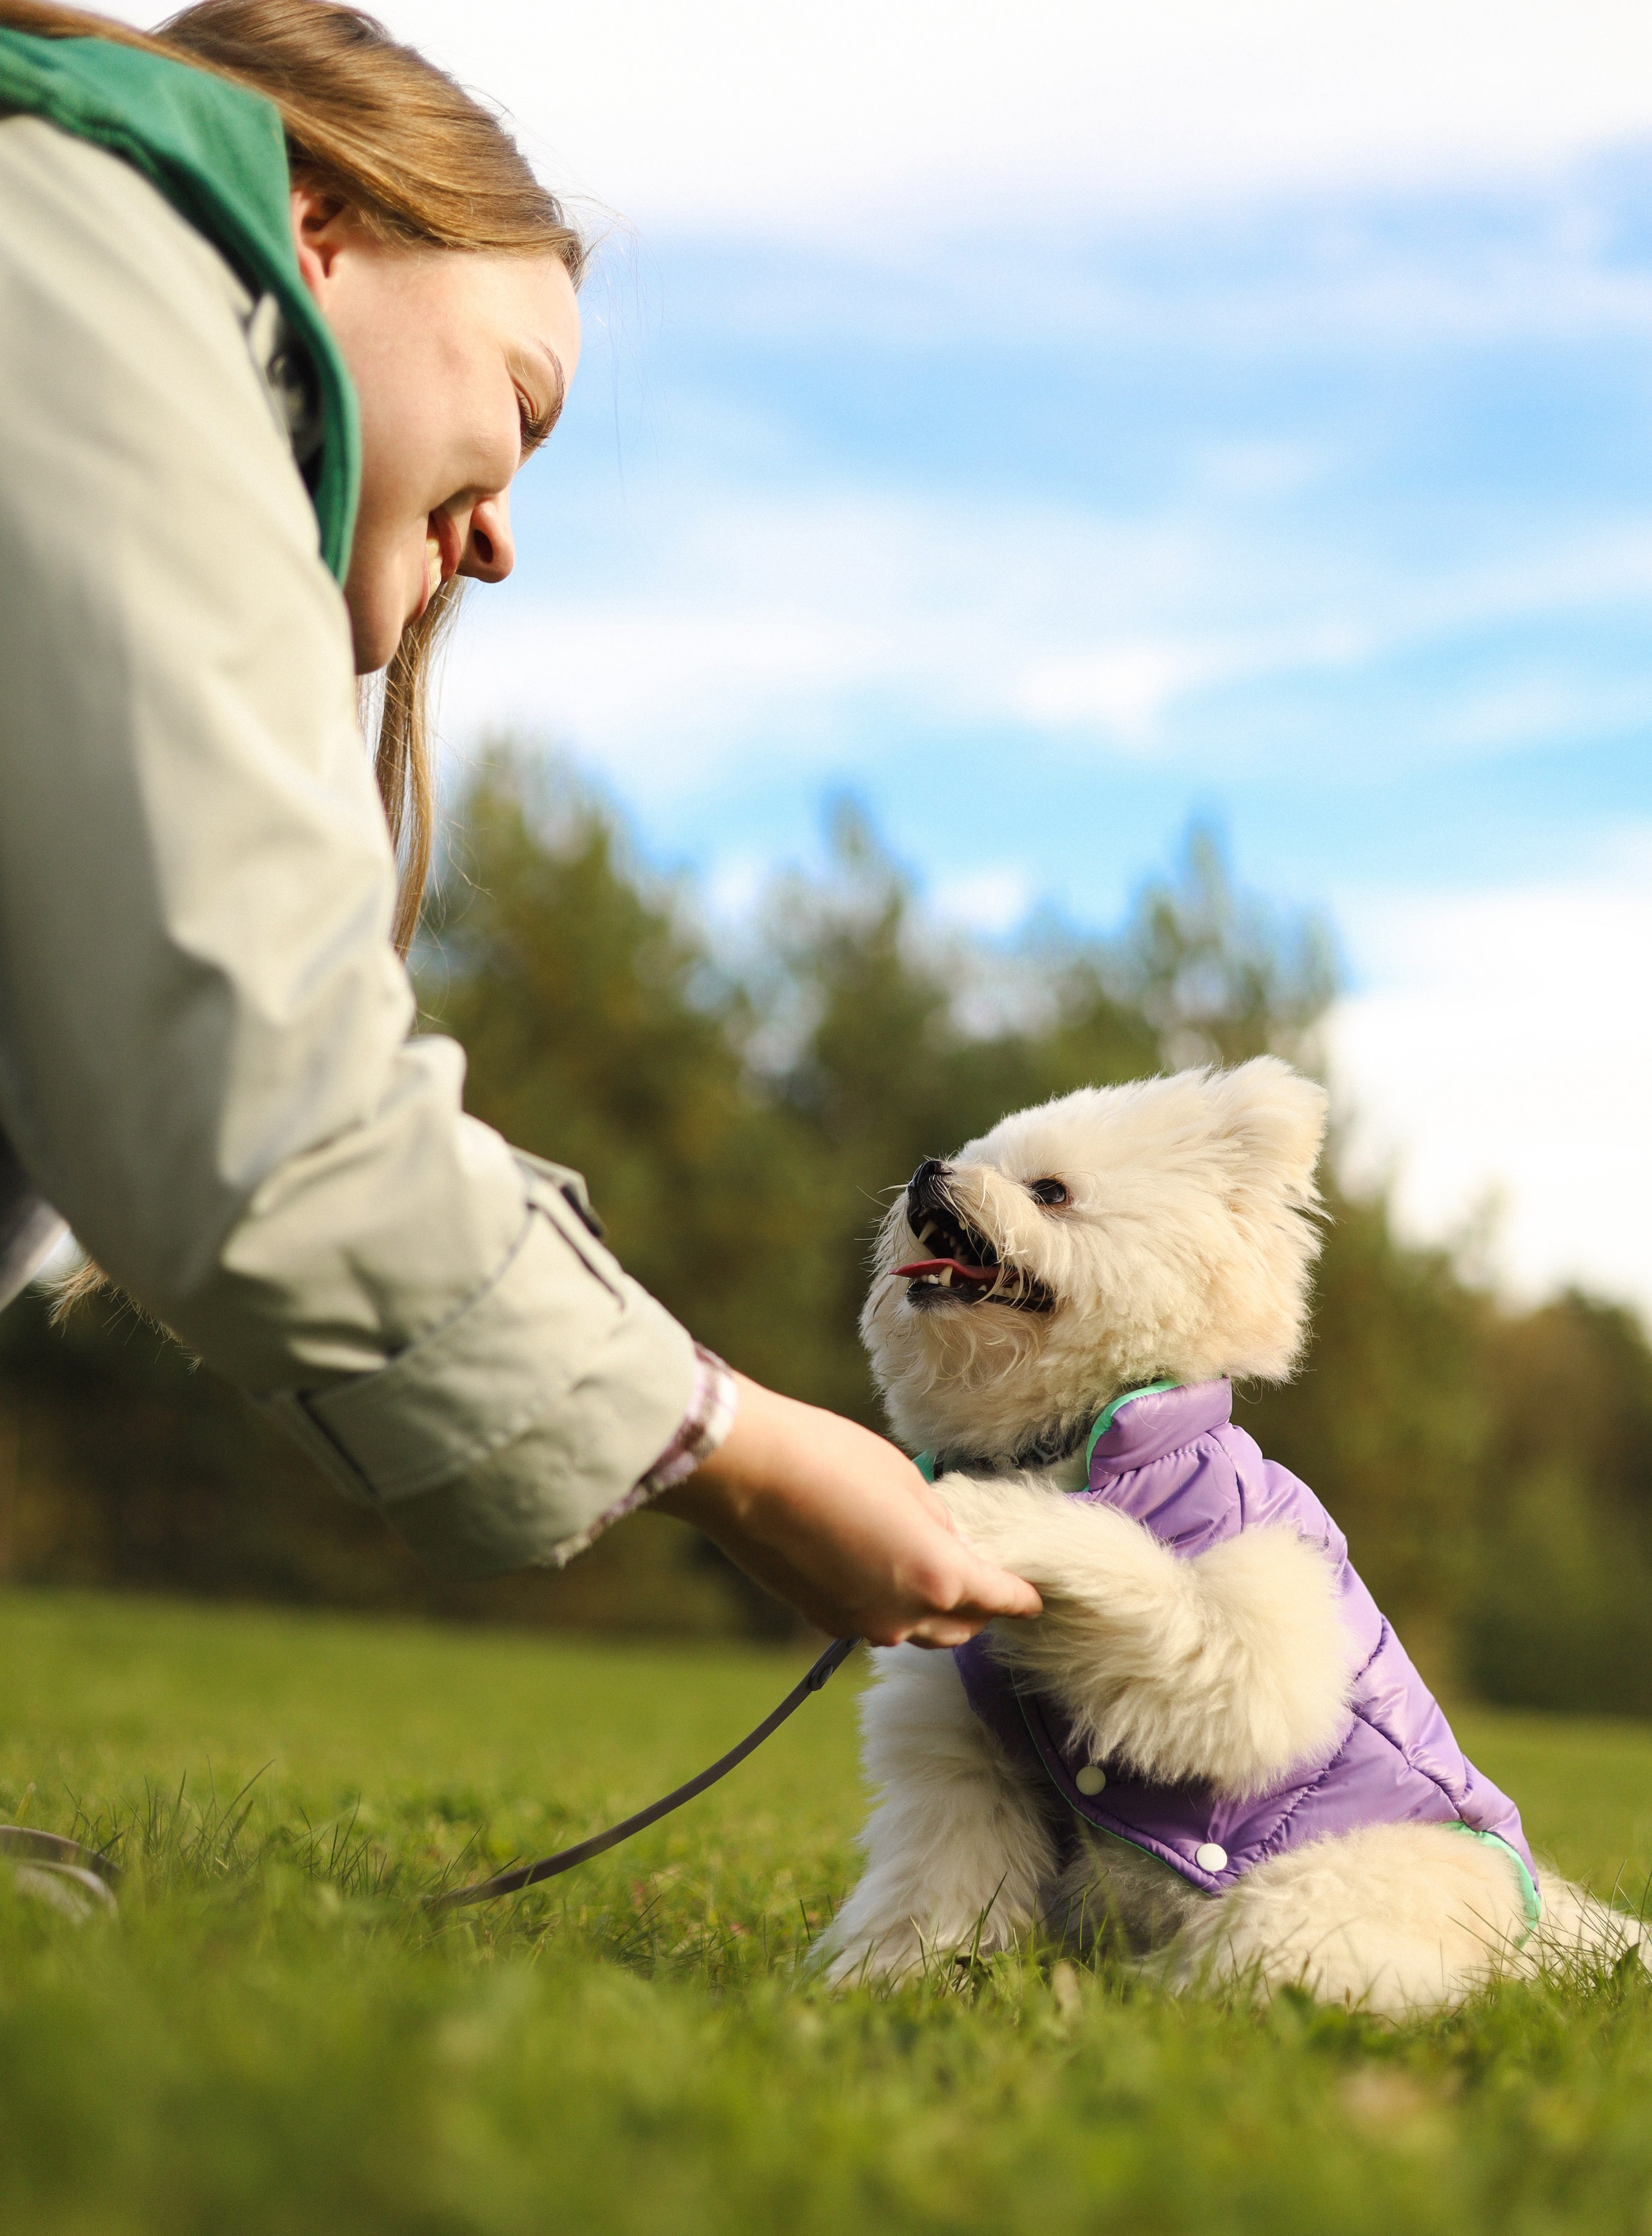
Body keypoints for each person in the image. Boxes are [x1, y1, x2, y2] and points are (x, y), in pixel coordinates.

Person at [0, 0, 1040, 1652]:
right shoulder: (97, 269)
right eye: (524, 405)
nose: (496, 547)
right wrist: (743, 1454)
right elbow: (260, 1101)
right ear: (313, 222)